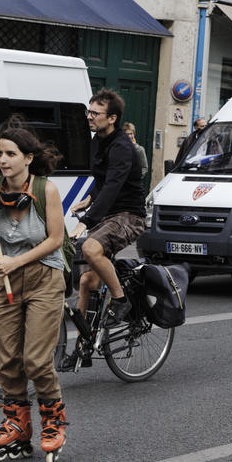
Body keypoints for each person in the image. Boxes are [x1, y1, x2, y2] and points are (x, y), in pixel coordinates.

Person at [0, 126, 69, 462]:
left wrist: (18, 261)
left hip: (44, 276)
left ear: (28, 158)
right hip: (4, 278)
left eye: (11, 154)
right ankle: (17, 422)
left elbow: (55, 239)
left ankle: (53, 421)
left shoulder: (48, 191)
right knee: (7, 358)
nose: (3, 159)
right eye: (0, 153)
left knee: (35, 358)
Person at [69, 88, 145, 327]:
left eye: (96, 113)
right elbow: (103, 180)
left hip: (129, 215)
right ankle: (83, 346)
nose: (90, 117)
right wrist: (89, 198)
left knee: (90, 248)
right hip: (109, 214)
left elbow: (113, 186)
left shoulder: (122, 147)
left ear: (112, 118)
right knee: (86, 282)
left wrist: (85, 221)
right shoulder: (97, 140)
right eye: (89, 112)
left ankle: (121, 300)